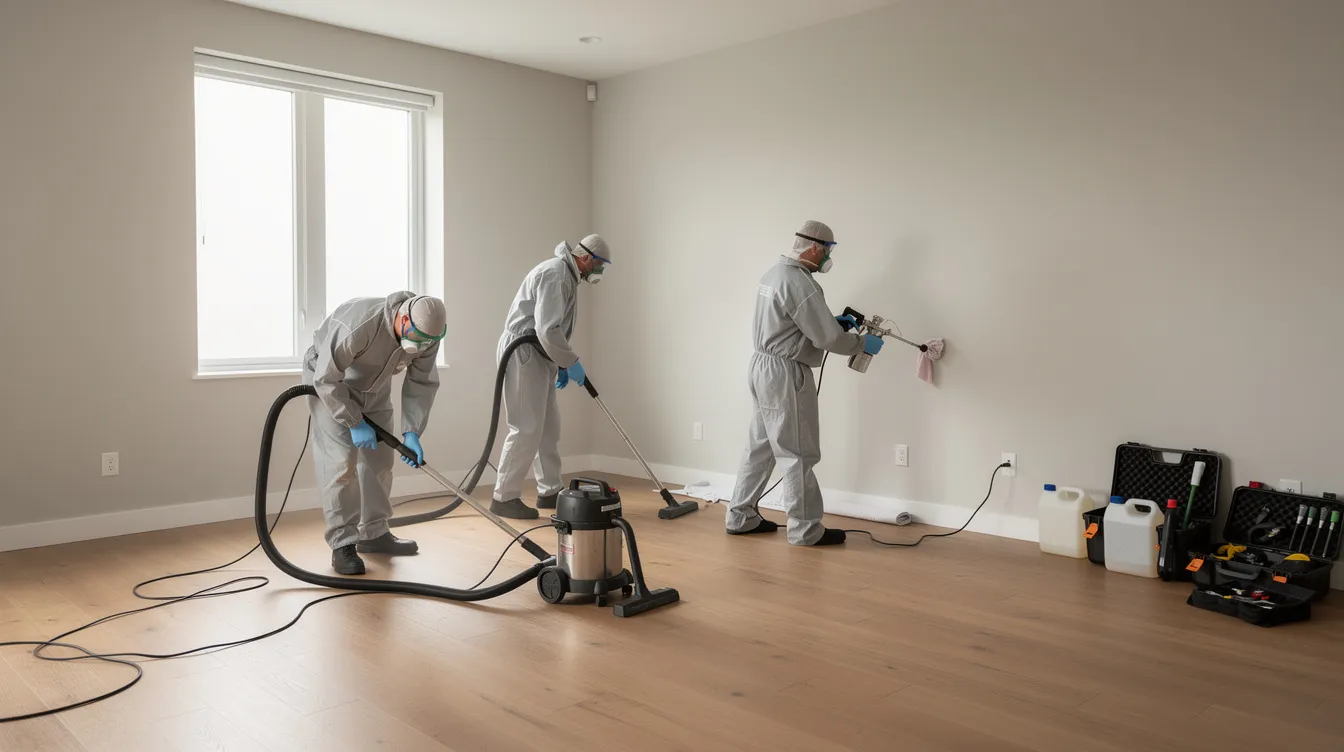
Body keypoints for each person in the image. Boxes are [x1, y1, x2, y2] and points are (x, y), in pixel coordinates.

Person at [725, 221, 884, 546]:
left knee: (761, 446)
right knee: (797, 452)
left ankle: (740, 516)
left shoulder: (773, 275)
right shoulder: (801, 283)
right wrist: (861, 343)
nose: (828, 257)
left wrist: (830, 322)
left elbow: (789, 321)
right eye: (827, 250)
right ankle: (805, 529)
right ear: (814, 247)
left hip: (761, 367)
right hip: (785, 373)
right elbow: (828, 339)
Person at [303, 292, 447, 575]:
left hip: (374, 386)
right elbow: (327, 378)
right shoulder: (359, 324)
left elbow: (422, 382)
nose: (421, 347)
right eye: (417, 340)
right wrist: (354, 422)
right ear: (403, 319)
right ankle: (343, 543)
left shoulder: (428, 334)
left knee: (380, 460)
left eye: (428, 342)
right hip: (330, 383)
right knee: (340, 462)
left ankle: (374, 532)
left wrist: (412, 432)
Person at [491, 235, 610, 519]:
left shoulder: (567, 276)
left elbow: (551, 329)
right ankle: (504, 497)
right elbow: (547, 329)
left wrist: (559, 364)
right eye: (599, 265)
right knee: (526, 426)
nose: (599, 271)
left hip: (539, 353)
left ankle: (550, 490)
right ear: (585, 257)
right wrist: (571, 362)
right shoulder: (556, 275)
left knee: (548, 426)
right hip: (522, 351)